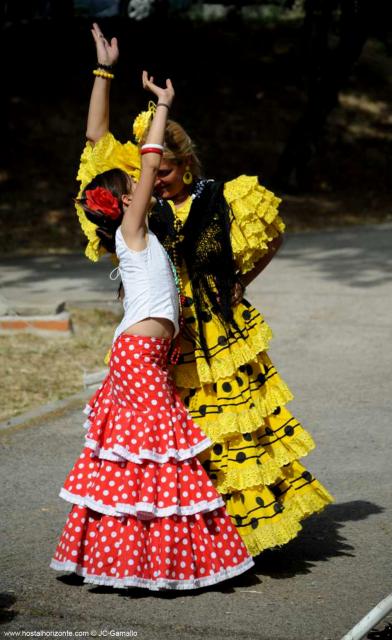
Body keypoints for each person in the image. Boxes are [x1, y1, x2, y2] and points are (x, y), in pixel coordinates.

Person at [76, 24, 333, 558]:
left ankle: (235, 535)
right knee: (173, 440)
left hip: (217, 331)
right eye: (156, 171)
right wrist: (104, 72)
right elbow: (98, 142)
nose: (160, 179)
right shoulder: (145, 208)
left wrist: (241, 280)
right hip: (165, 341)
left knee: (233, 435)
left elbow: (274, 234)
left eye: (167, 171)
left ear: (185, 162)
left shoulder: (224, 197)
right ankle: (186, 534)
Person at [50, 25, 254, 589]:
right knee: (158, 455)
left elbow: (97, 138)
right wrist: (161, 106)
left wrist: (105, 71)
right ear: (122, 203)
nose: (149, 188)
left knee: (137, 458)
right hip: (139, 353)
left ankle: (123, 555)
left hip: (141, 351)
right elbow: (141, 160)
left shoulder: (144, 235)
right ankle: (146, 557)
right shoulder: (134, 231)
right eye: (136, 189)